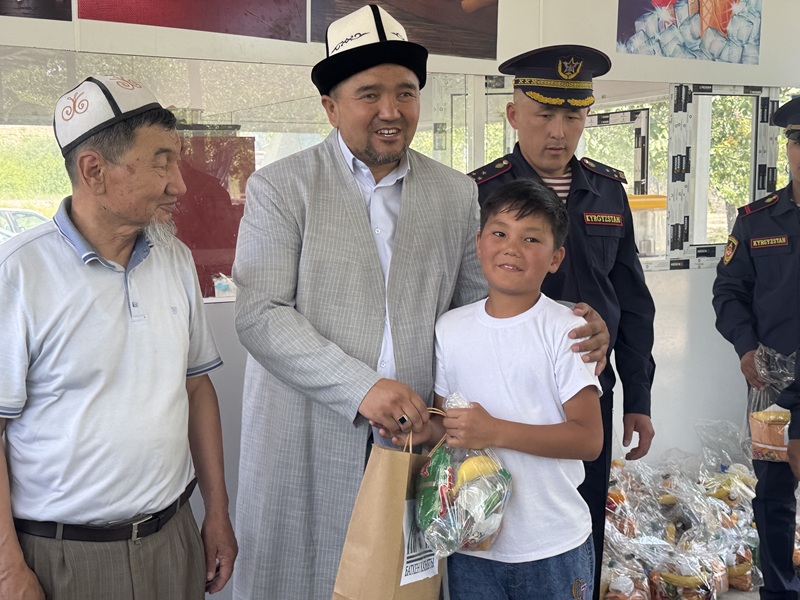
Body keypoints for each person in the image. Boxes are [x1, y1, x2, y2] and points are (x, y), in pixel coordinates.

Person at [231, 7, 609, 600]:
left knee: (401, 584)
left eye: (405, 93)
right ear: (330, 107)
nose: (391, 110)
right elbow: (260, 315)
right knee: (302, 581)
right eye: (369, 94)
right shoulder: (282, 188)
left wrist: (569, 325)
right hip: (306, 436)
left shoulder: (454, 192)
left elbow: (487, 309)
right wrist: (362, 387)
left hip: (417, 442)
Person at [0, 75, 237, 599]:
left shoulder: (174, 258)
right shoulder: (17, 274)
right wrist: (8, 569)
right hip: (63, 557)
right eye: (161, 163)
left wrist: (217, 513)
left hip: (172, 539)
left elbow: (197, 388)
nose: (179, 184)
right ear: (94, 171)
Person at [468, 44, 657, 598]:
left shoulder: (608, 190)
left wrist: (640, 397)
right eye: (545, 113)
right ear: (513, 114)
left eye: (572, 116)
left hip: (587, 388)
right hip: (504, 393)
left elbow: (633, 301)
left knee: (582, 518)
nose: (558, 131)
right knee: (495, 523)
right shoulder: (479, 192)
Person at [390, 178, 603, 599]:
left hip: (553, 544)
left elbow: (589, 439)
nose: (512, 248)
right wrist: (418, 428)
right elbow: (449, 429)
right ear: (478, 243)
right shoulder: (450, 328)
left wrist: (495, 431)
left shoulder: (568, 330)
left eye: (531, 239)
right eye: (500, 233)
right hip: (471, 540)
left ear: (556, 258)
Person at [712, 96, 800, 600]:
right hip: (773, 383)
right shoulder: (757, 220)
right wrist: (745, 348)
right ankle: (781, 591)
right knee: (772, 495)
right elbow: (728, 292)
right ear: (788, 148)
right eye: (798, 141)